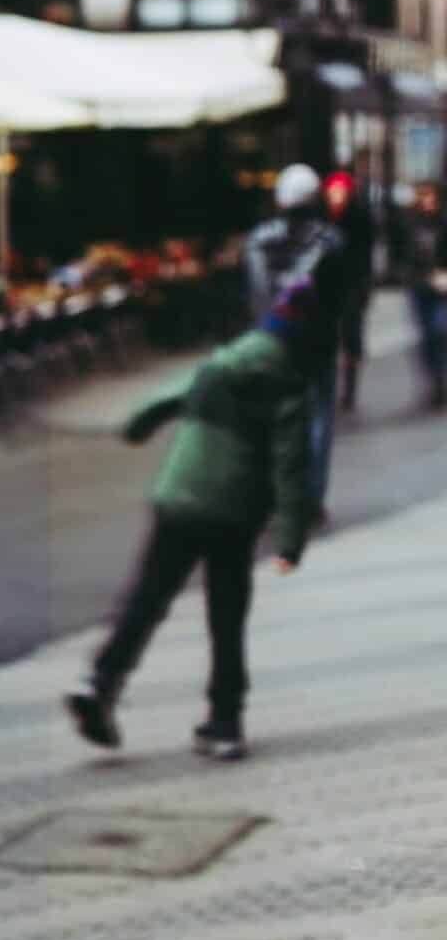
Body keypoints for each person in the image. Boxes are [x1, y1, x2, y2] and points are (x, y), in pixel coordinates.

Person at [65, 272, 318, 762]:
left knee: (148, 596)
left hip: (179, 494)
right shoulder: (290, 386)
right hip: (233, 512)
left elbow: (162, 400)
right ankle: (224, 723)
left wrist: (136, 426)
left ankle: (101, 681)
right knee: (226, 617)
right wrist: (290, 542)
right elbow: (291, 471)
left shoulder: (221, 363)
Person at [242, 163, 340, 519]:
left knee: (275, 421)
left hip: (271, 342)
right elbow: (337, 299)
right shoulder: (328, 241)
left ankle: (278, 495)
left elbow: (253, 295)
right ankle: (309, 498)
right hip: (316, 344)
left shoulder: (257, 240)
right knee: (317, 420)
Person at [322, 169, 377, 412]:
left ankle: (349, 389)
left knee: (351, 339)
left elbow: (365, 256)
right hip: (329, 289)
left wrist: (364, 288)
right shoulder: (323, 218)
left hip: (352, 287)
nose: (336, 196)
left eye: (340, 192)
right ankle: (332, 387)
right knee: (330, 339)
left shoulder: (359, 217)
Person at [402, 181, 447, 410]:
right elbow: (402, 252)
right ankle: (435, 380)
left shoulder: (442, 222)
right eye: (423, 196)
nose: (428, 200)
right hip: (419, 286)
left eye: (431, 195)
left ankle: (440, 377)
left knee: (440, 329)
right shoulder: (411, 223)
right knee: (427, 335)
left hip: (442, 287)